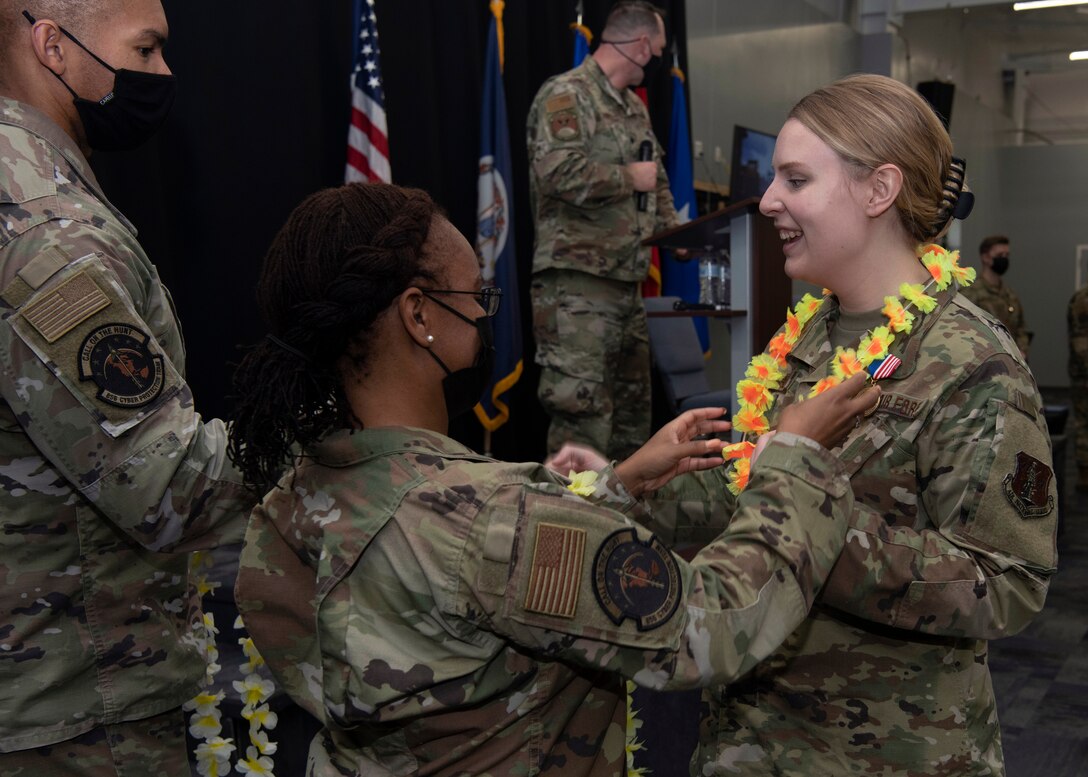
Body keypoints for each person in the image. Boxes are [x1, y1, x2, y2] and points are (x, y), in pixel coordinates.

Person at [228, 181, 881, 777]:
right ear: (418, 314)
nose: (487, 317)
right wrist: (796, 455)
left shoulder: (290, 503)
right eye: (476, 297)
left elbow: (462, 566)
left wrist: (617, 486)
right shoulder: (491, 517)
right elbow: (714, 626)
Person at [691, 75, 1059, 776]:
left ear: (877, 190)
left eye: (796, 179)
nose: (768, 201)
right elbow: (746, 488)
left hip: (887, 752)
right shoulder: (805, 337)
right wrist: (619, 486)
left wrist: (814, 527)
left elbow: (1006, 583)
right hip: (750, 739)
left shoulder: (971, 361)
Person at [0, 1, 254, 772]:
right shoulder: (45, 228)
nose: (163, 74)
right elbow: (168, 486)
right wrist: (318, 418)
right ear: (53, 45)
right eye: (145, 49)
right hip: (74, 707)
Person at [527, 0, 679, 460]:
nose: (655, 62)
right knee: (582, 422)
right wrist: (628, 177)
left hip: (626, 286)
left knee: (632, 424)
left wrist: (680, 236)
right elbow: (557, 172)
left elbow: (658, 182)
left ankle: (622, 528)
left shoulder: (634, 109)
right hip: (577, 288)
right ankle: (569, 528)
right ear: (638, 45)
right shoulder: (566, 95)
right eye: (655, 51)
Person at [960, 235, 1031, 358]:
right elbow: (962, 330)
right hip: (983, 361)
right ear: (985, 257)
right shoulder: (970, 293)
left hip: (1012, 362)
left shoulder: (1009, 294)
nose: (1004, 259)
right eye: (1000, 255)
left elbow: (1021, 328)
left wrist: (1022, 350)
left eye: (1007, 255)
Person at [1069, 283, 1088, 492]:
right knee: (1084, 426)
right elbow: (1081, 343)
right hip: (1084, 377)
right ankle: (1084, 476)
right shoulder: (1083, 300)